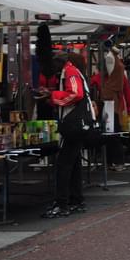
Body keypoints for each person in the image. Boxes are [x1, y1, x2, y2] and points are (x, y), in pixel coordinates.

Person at [39, 53, 91, 218]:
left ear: (59, 63)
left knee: (63, 164)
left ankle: (62, 204)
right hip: (77, 124)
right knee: (73, 163)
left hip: (73, 124)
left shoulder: (70, 72)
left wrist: (52, 96)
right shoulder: (71, 71)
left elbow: (76, 94)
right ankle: (76, 200)